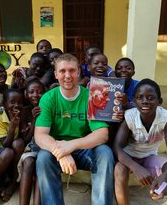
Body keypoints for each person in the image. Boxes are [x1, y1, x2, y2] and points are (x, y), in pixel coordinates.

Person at [34, 53, 114, 205]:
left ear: (79, 72)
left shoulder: (92, 96)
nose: (67, 75)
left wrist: (71, 145)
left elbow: (102, 134)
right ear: (56, 74)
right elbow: (40, 135)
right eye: (62, 71)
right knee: (43, 157)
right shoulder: (48, 98)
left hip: (84, 149)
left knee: (105, 153)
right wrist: (62, 153)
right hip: (57, 149)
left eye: (72, 70)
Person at [113, 78, 167, 204]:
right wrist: (135, 167)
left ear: (159, 101)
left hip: (150, 157)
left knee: (166, 165)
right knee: (119, 169)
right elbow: (117, 147)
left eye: (151, 98)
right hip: (130, 157)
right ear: (134, 100)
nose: (145, 101)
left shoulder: (166, 119)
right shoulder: (129, 116)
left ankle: (160, 190)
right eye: (140, 97)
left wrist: (165, 178)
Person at [18, 79, 45, 205]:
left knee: (41, 163)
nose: (35, 95)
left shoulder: (49, 108)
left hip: (46, 148)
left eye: (39, 92)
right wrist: (34, 120)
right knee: (28, 162)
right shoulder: (24, 111)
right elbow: (25, 139)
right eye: (31, 92)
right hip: (31, 147)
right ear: (26, 94)